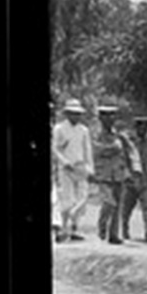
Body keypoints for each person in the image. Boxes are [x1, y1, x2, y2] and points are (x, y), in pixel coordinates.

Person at [90, 104, 137, 245]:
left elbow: (130, 151)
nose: (109, 119)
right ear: (100, 118)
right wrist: (113, 148)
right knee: (109, 202)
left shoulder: (119, 136)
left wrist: (133, 170)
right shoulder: (95, 134)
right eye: (106, 115)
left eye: (112, 115)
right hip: (103, 174)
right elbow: (96, 150)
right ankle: (102, 225)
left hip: (118, 173)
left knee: (118, 205)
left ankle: (114, 235)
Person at [52, 98, 93, 243]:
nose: (76, 116)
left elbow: (87, 149)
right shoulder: (59, 128)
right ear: (67, 114)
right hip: (66, 168)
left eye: (78, 114)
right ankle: (64, 230)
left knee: (83, 197)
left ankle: (74, 228)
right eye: (73, 113)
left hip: (80, 166)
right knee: (67, 200)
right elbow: (55, 148)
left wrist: (90, 168)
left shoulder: (83, 130)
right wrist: (64, 161)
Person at [119, 115, 147, 242]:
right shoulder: (128, 142)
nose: (144, 129)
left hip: (146, 179)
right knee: (126, 208)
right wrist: (126, 175)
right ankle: (124, 229)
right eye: (141, 126)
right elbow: (123, 159)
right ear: (136, 127)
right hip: (131, 179)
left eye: (146, 127)